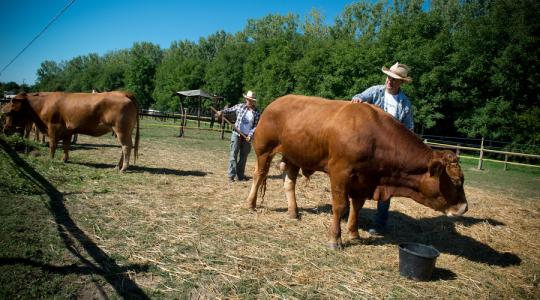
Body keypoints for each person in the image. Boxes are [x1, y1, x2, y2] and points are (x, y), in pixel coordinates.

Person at [351, 62, 414, 235]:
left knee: (386, 187)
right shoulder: (376, 91)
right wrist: (358, 99)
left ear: (401, 83)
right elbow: (359, 96)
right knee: (357, 178)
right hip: (369, 147)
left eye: (395, 80)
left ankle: (379, 224)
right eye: (389, 77)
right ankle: (348, 214)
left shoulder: (405, 104)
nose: (390, 81)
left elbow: (409, 130)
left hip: (390, 152)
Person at [217, 90, 260, 182]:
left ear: (253, 101)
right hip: (236, 134)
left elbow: (255, 126)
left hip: (247, 137)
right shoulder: (240, 106)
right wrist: (221, 112)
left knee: (243, 157)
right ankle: (231, 175)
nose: (249, 101)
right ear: (246, 99)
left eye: (251, 100)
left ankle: (240, 175)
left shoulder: (256, 112)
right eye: (248, 99)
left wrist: (250, 135)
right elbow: (229, 110)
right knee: (233, 154)